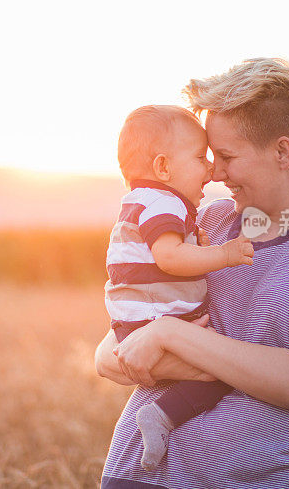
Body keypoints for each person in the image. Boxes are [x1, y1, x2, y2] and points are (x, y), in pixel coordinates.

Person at [96, 58, 289, 489]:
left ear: (282, 151)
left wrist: (171, 336)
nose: (214, 173)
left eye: (226, 156)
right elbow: (111, 353)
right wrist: (163, 343)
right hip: (136, 476)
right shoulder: (209, 223)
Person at [105, 104, 254, 470]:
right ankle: (162, 416)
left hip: (136, 324)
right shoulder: (163, 202)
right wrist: (223, 254)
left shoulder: (141, 202)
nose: (210, 169)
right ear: (163, 168)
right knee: (220, 372)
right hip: (152, 323)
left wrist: (195, 241)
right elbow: (170, 257)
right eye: (200, 158)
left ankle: (162, 416)